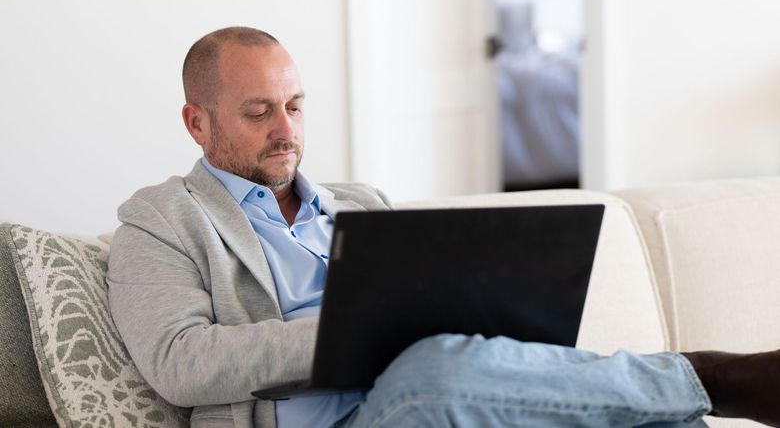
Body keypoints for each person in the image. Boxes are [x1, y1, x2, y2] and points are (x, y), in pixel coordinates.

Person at [107, 26, 780, 428]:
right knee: (431, 366)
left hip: (438, 400)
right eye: (259, 112)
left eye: (295, 105)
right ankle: (715, 376)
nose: (286, 130)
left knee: (481, 374)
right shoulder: (161, 219)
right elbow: (179, 362)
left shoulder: (358, 202)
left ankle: (685, 401)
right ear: (198, 122)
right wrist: (357, 329)